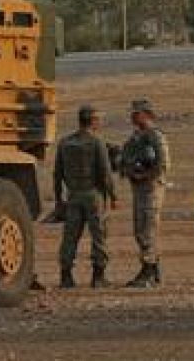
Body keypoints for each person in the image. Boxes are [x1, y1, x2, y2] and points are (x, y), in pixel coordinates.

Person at [53, 104, 115, 289]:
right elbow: (105, 172)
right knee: (99, 236)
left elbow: (57, 173)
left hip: (73, 195)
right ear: (93, 121)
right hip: (93, 195)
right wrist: (113, 195)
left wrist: (58, 199)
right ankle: (98, 276)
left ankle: (66, 276)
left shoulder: (65, 143)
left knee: (70, 237)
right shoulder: (97, 143)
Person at [119, 98, 169, 288]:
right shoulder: (136, 137)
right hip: (139, 189)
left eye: (136, 113)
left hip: (151, 189)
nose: (133, 116)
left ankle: (147, 270)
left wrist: (146, 175)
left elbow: (163, 163)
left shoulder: (155, 136)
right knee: (141, 229)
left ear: (147, 114)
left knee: (147, 230)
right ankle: (153, 270)